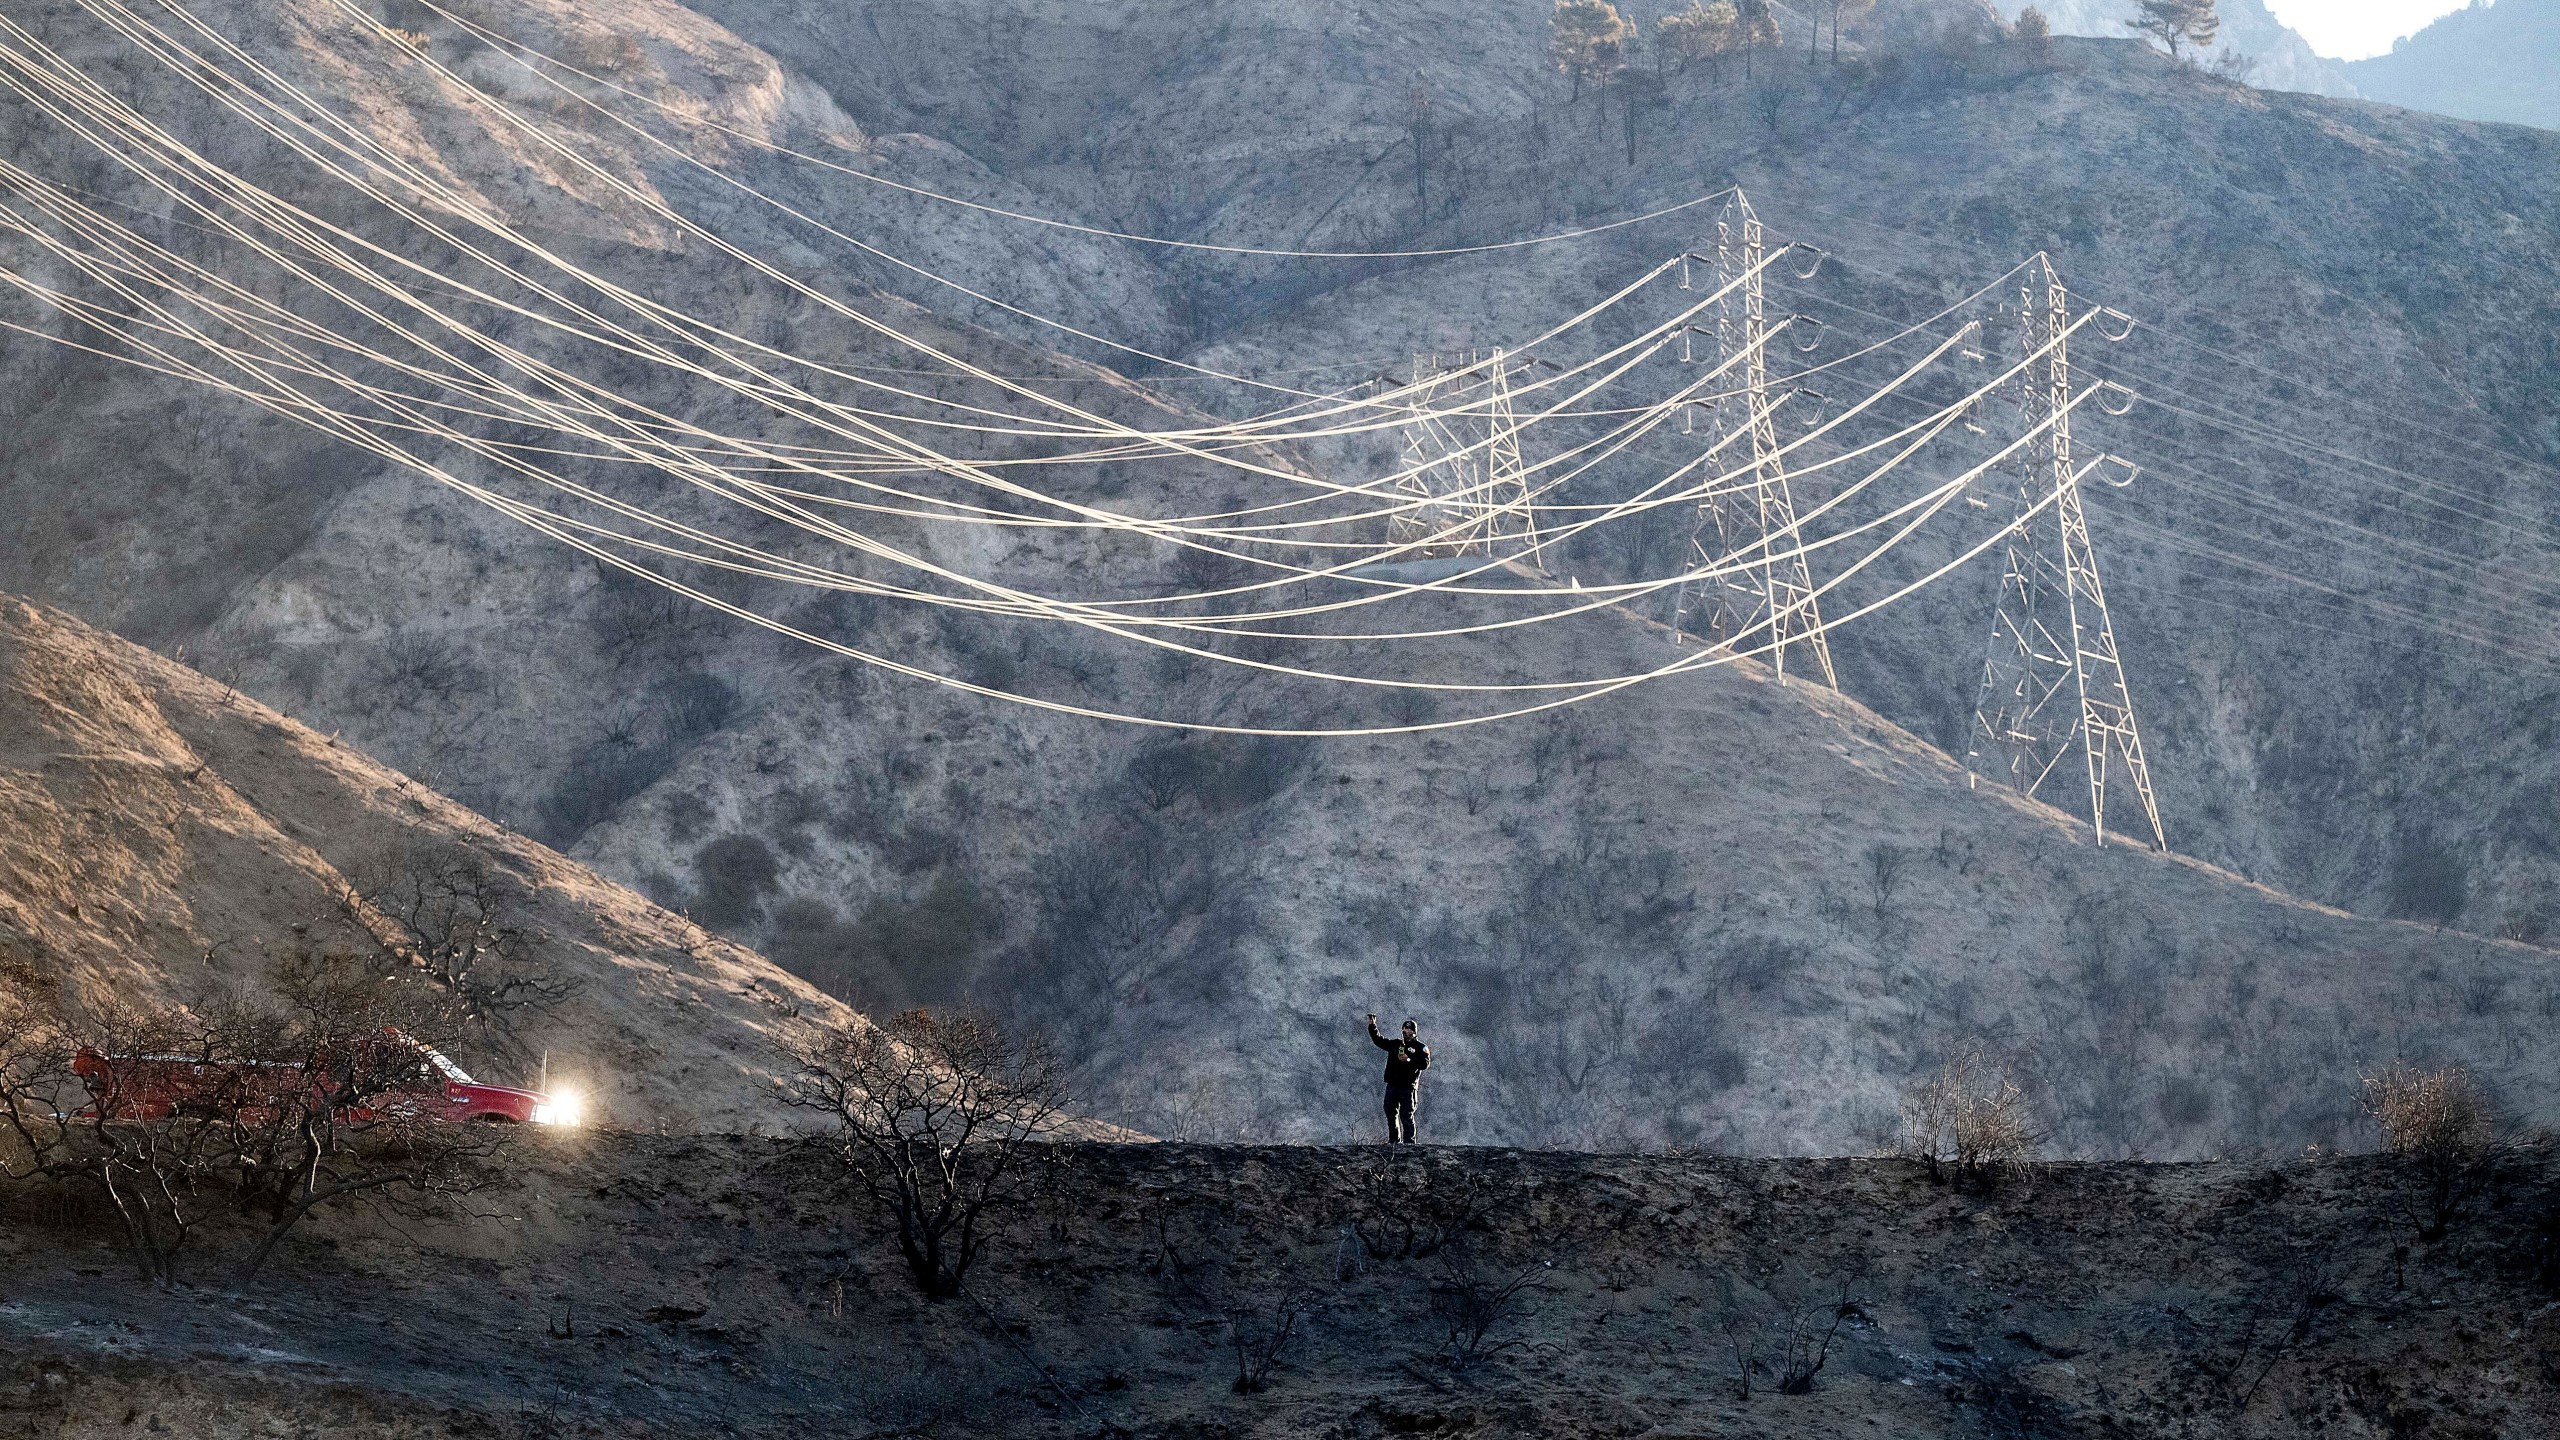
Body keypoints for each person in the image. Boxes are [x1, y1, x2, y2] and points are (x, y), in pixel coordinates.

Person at [1366, 1012, 1430, 1144]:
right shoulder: (1396, 1044)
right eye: (1404, 1028)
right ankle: (1394, 1140)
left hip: (1408, 1087)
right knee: (1390, 1112)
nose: (1405, 1031)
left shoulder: (1420, 1047)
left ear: (1414, 1032)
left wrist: (1409, 1059)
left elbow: (1425, 1064)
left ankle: (1409, 1143)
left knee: (1406, 1115)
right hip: (1392, 1085)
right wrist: (1373, 1026)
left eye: (1408, 1029)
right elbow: (1379, 1040)